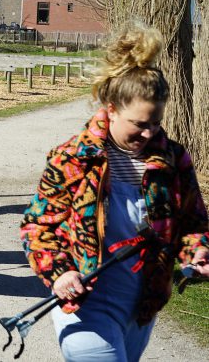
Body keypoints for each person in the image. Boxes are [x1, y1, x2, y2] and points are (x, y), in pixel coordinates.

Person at [20, 21, 209, 362]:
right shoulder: (73, 158)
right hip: (85, 307)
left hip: (141, 308)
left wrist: (196, 253)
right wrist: (59, 272)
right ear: (111, 109)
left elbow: (192, 224)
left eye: (156, 123)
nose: (149, 133)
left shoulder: (173, 161)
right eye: (139, 124)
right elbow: (37, 228)